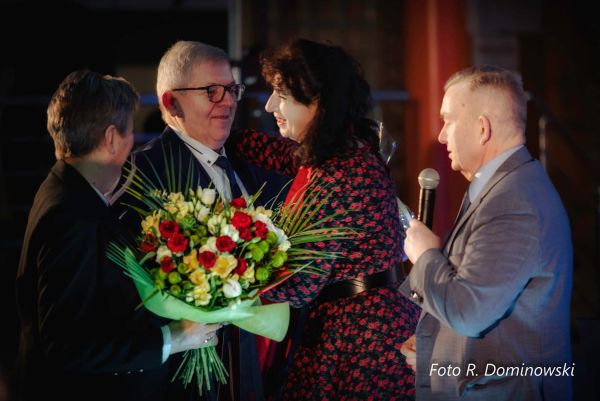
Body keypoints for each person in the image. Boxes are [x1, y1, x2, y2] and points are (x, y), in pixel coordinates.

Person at [230, 38, 419, 400]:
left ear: (318, 101)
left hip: (359, 340)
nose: (270, 105)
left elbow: (298, 284)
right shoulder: (342, 151)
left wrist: (219, 277)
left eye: (281, 95)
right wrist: (220, 136)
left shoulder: (339, 171)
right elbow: (279, 153)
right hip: (369, 323)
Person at [15, 70, 220, 401]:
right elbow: (65, 345)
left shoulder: (65, 189)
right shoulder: (70, 214)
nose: (132, 144)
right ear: (111, 138)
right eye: (129, 132)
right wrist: (173, 338)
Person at [115, 40, 289, 401]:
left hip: (250, 368)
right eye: (211, 91)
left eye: (231, 90)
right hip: (181, 376)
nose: (227, 102)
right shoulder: (142, 173)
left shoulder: (252, 162)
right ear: (171, 103)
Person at [399, 66, 573, 401]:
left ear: (482, 128)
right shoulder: (501, 187)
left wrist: (425, 255)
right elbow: (484, 299)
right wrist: (434, 350)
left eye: (448, 120)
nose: (442, 136)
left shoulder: (514, 201)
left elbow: (468, 311)